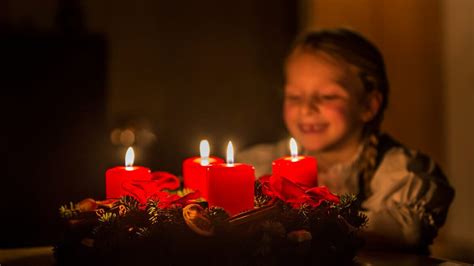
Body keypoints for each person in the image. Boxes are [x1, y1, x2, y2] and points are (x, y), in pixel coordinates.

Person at [238, 28, 454, 253]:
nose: (306, 109)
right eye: (294, 97)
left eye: (328, 96)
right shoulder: (262, 164)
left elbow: (407, 231)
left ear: (368, 105)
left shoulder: (401, 172)